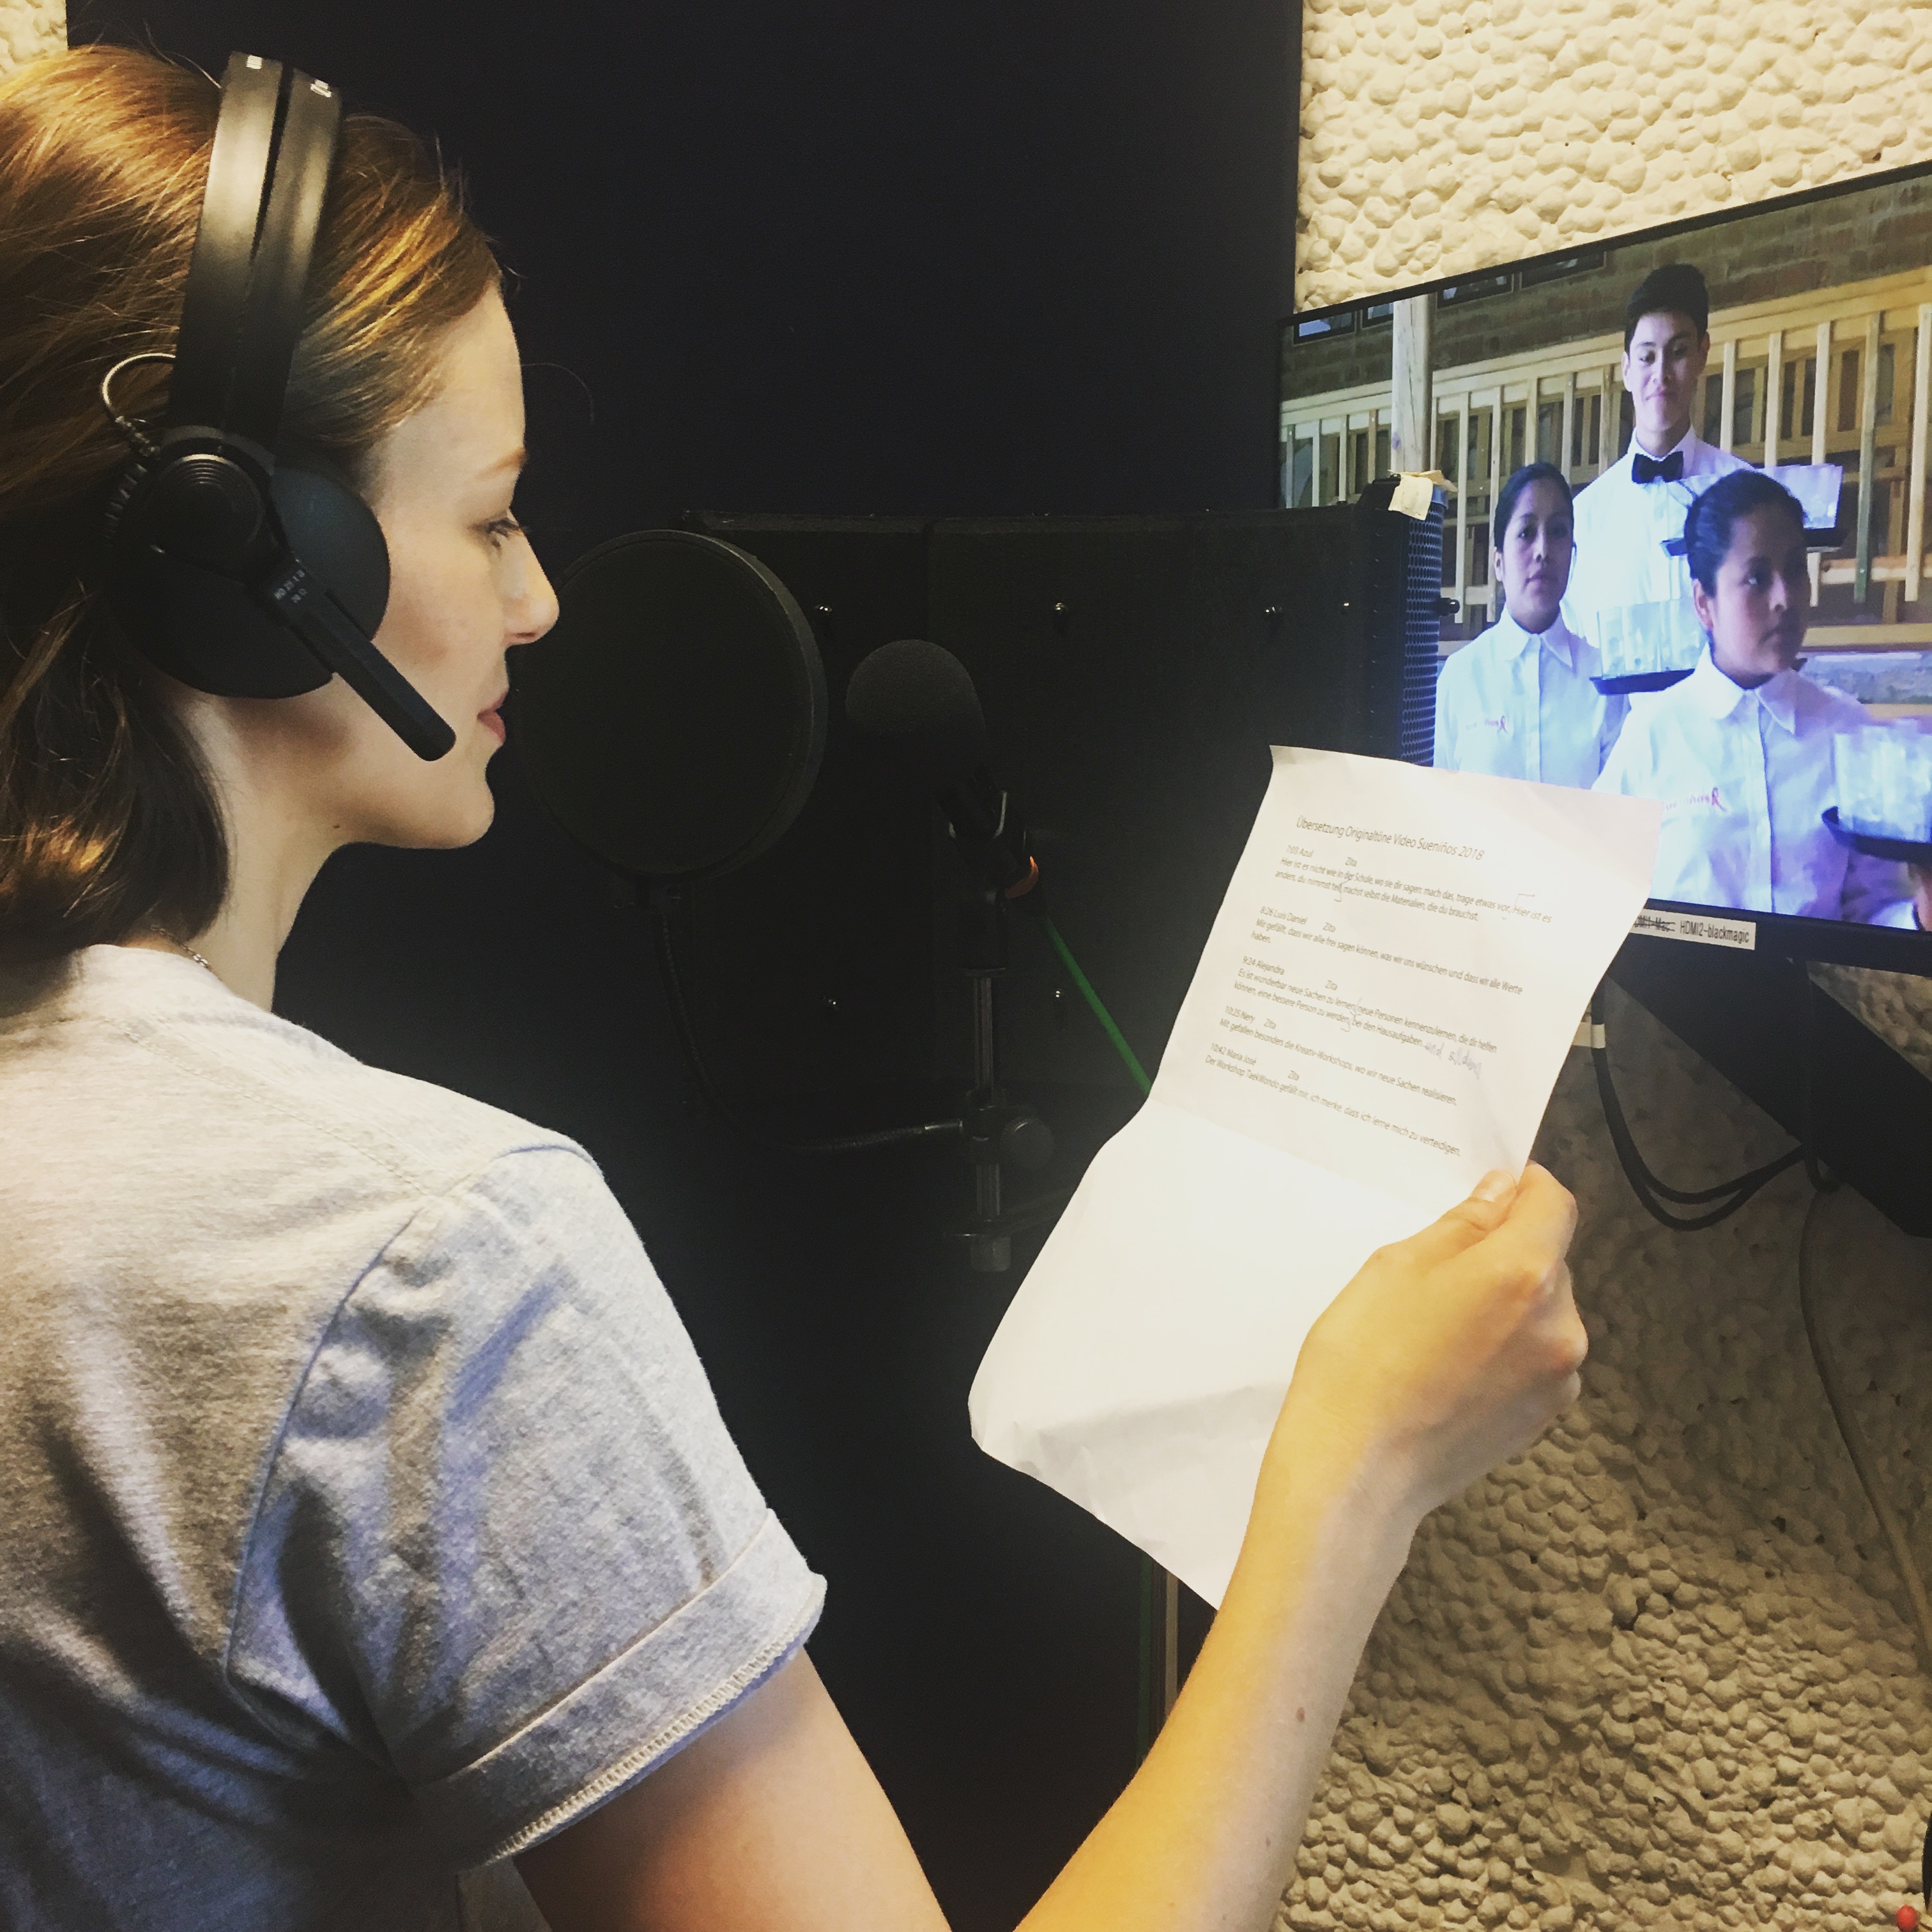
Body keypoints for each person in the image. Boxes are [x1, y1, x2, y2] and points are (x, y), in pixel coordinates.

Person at [0, 47, 1589, 1932]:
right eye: (492, 516)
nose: (540, 601)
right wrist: (1355, 1477)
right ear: (238, 552)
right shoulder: (412, 1266)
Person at [1593, 471, 1931, 928]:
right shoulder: (1652, 736)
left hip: (1817, 979)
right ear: (1704, 603)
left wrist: (1921, 914)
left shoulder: (1850, 733)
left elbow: (1871, 914)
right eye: (1757, 578)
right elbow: (1600, 894)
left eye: (1794, 570)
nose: (1784, 598)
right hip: (1683, 979)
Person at [1561, 263, 1752, 657]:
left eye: (1678, 353)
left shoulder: (1746, 496)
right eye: (1647, 357)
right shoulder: (1583, 519)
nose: (1661, 375)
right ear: (1627, 369)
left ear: (1702, 355)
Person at [1433, 461, 1623, 787]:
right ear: (1499, 563)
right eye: (1526, 532)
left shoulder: (1604, 681)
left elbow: (1618, 807)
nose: (1543, 551)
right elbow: (1438, 802)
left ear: (1573, 553)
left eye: (1558, 531)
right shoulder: (1461, 677)